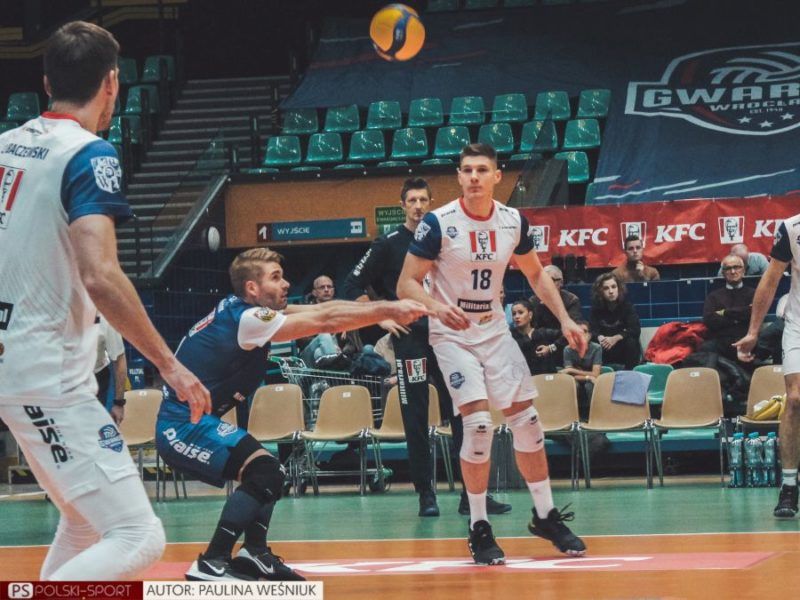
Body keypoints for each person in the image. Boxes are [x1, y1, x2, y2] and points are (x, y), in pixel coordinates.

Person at [0, 21, 211, 581]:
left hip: (20, 365)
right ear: (112, 83)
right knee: (139, 537)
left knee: (85, 523)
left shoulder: (6, 146)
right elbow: (100, 274)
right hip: (47, 374)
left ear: (47, 82)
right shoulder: (89, 154)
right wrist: (170, 366)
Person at [157, 247, 428, 581]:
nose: (286, 284)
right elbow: (325, 321)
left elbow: (326, 308)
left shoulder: (249, 311)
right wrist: (389, 309)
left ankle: (254, 553)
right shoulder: (248, 320)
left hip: (196, 422)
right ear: (252, 288)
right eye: (275, 278)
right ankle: (212, 561)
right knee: (265, 471)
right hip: (181, 427)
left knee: (270, 473)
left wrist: (382, 308)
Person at [398, 143, 587, 565]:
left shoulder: (512, 221)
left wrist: (565, 320)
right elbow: (406, 283)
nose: (474, 177)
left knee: (528, 422)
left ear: (497, 176)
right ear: (459, 176)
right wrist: (435, 307)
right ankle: (479, 525)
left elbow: (536, 273)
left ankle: (545, 516)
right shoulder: (438, 223)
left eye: (482, 170)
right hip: (452, 333)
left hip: (494, 329)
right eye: (467, 170)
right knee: (479, 424)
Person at [342, 177, 511, 518]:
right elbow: (351, 285)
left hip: (451, 338)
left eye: (423, 200)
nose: (418, 206)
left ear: (431, 203)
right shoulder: (388, 243)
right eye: (412, 200)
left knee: (464, 413)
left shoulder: (446, 237)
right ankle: (425, 495)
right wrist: (382, 317)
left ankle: (473, 496)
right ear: (402, 205)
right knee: (416, 418)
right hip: (412, 342)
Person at [735, 217, 800, 519]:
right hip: (798, 326)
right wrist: (753, 332)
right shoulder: (792, 227)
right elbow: (771, 279)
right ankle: (789, 485)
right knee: (795, 399)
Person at [703, 255, 755, 363]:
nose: (733, 271)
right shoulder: (713, 296)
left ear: (743, 270)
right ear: (723, 273)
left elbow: (753, 314)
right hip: (720, 342)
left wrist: (725, 312)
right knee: (705, 349)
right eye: (728, 268)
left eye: (736, 267)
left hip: (746, 340)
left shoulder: (754, 294)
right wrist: (739, 317)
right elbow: (709, 320)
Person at [529, 265, 582, 366]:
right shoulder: (534, 301)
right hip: (539, 346)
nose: (544, 284)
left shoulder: (571, 300)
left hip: (564, 346)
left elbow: (573, 331)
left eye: (549, 280)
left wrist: (551, 348)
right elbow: (532, 330)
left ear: (560, 282)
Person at [589, 273, 642, 370]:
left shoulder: (627, 307)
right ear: (600, 291)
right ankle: (597, 373)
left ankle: (630, 373)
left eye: (614, 287)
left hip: (622, 349)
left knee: (631, 342)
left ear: (619, 288)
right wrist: (599, 337)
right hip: (605, 347)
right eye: (606, 288)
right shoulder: (596, 309)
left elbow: (635, 330)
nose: (611, 291)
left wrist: (616, 338)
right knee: (592, 343)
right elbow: (592, 330)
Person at [560, 321, 602, 418]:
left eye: (584, 331)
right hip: (578, 379)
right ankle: (571, 418)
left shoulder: (596, 348)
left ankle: (596, 417)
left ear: (590, 335)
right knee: (572, 384)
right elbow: (569, 376)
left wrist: (572, 370)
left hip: (592, 380)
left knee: (590, 385)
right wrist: (587, 377)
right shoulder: (568, 349)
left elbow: (596, 374)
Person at [510, 300, 561, 375]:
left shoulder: (543, 333)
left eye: (520, 312)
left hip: (548, 378)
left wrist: (550, 348)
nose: (516, 317)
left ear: (530, 315)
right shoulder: (509, 337)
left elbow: (566, 336)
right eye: (514, 314)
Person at [95, 314, 128, 425]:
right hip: (59, 378)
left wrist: (119, 403)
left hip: (96, 377)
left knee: (93, 426)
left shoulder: (105, 318)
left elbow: (119, 359)